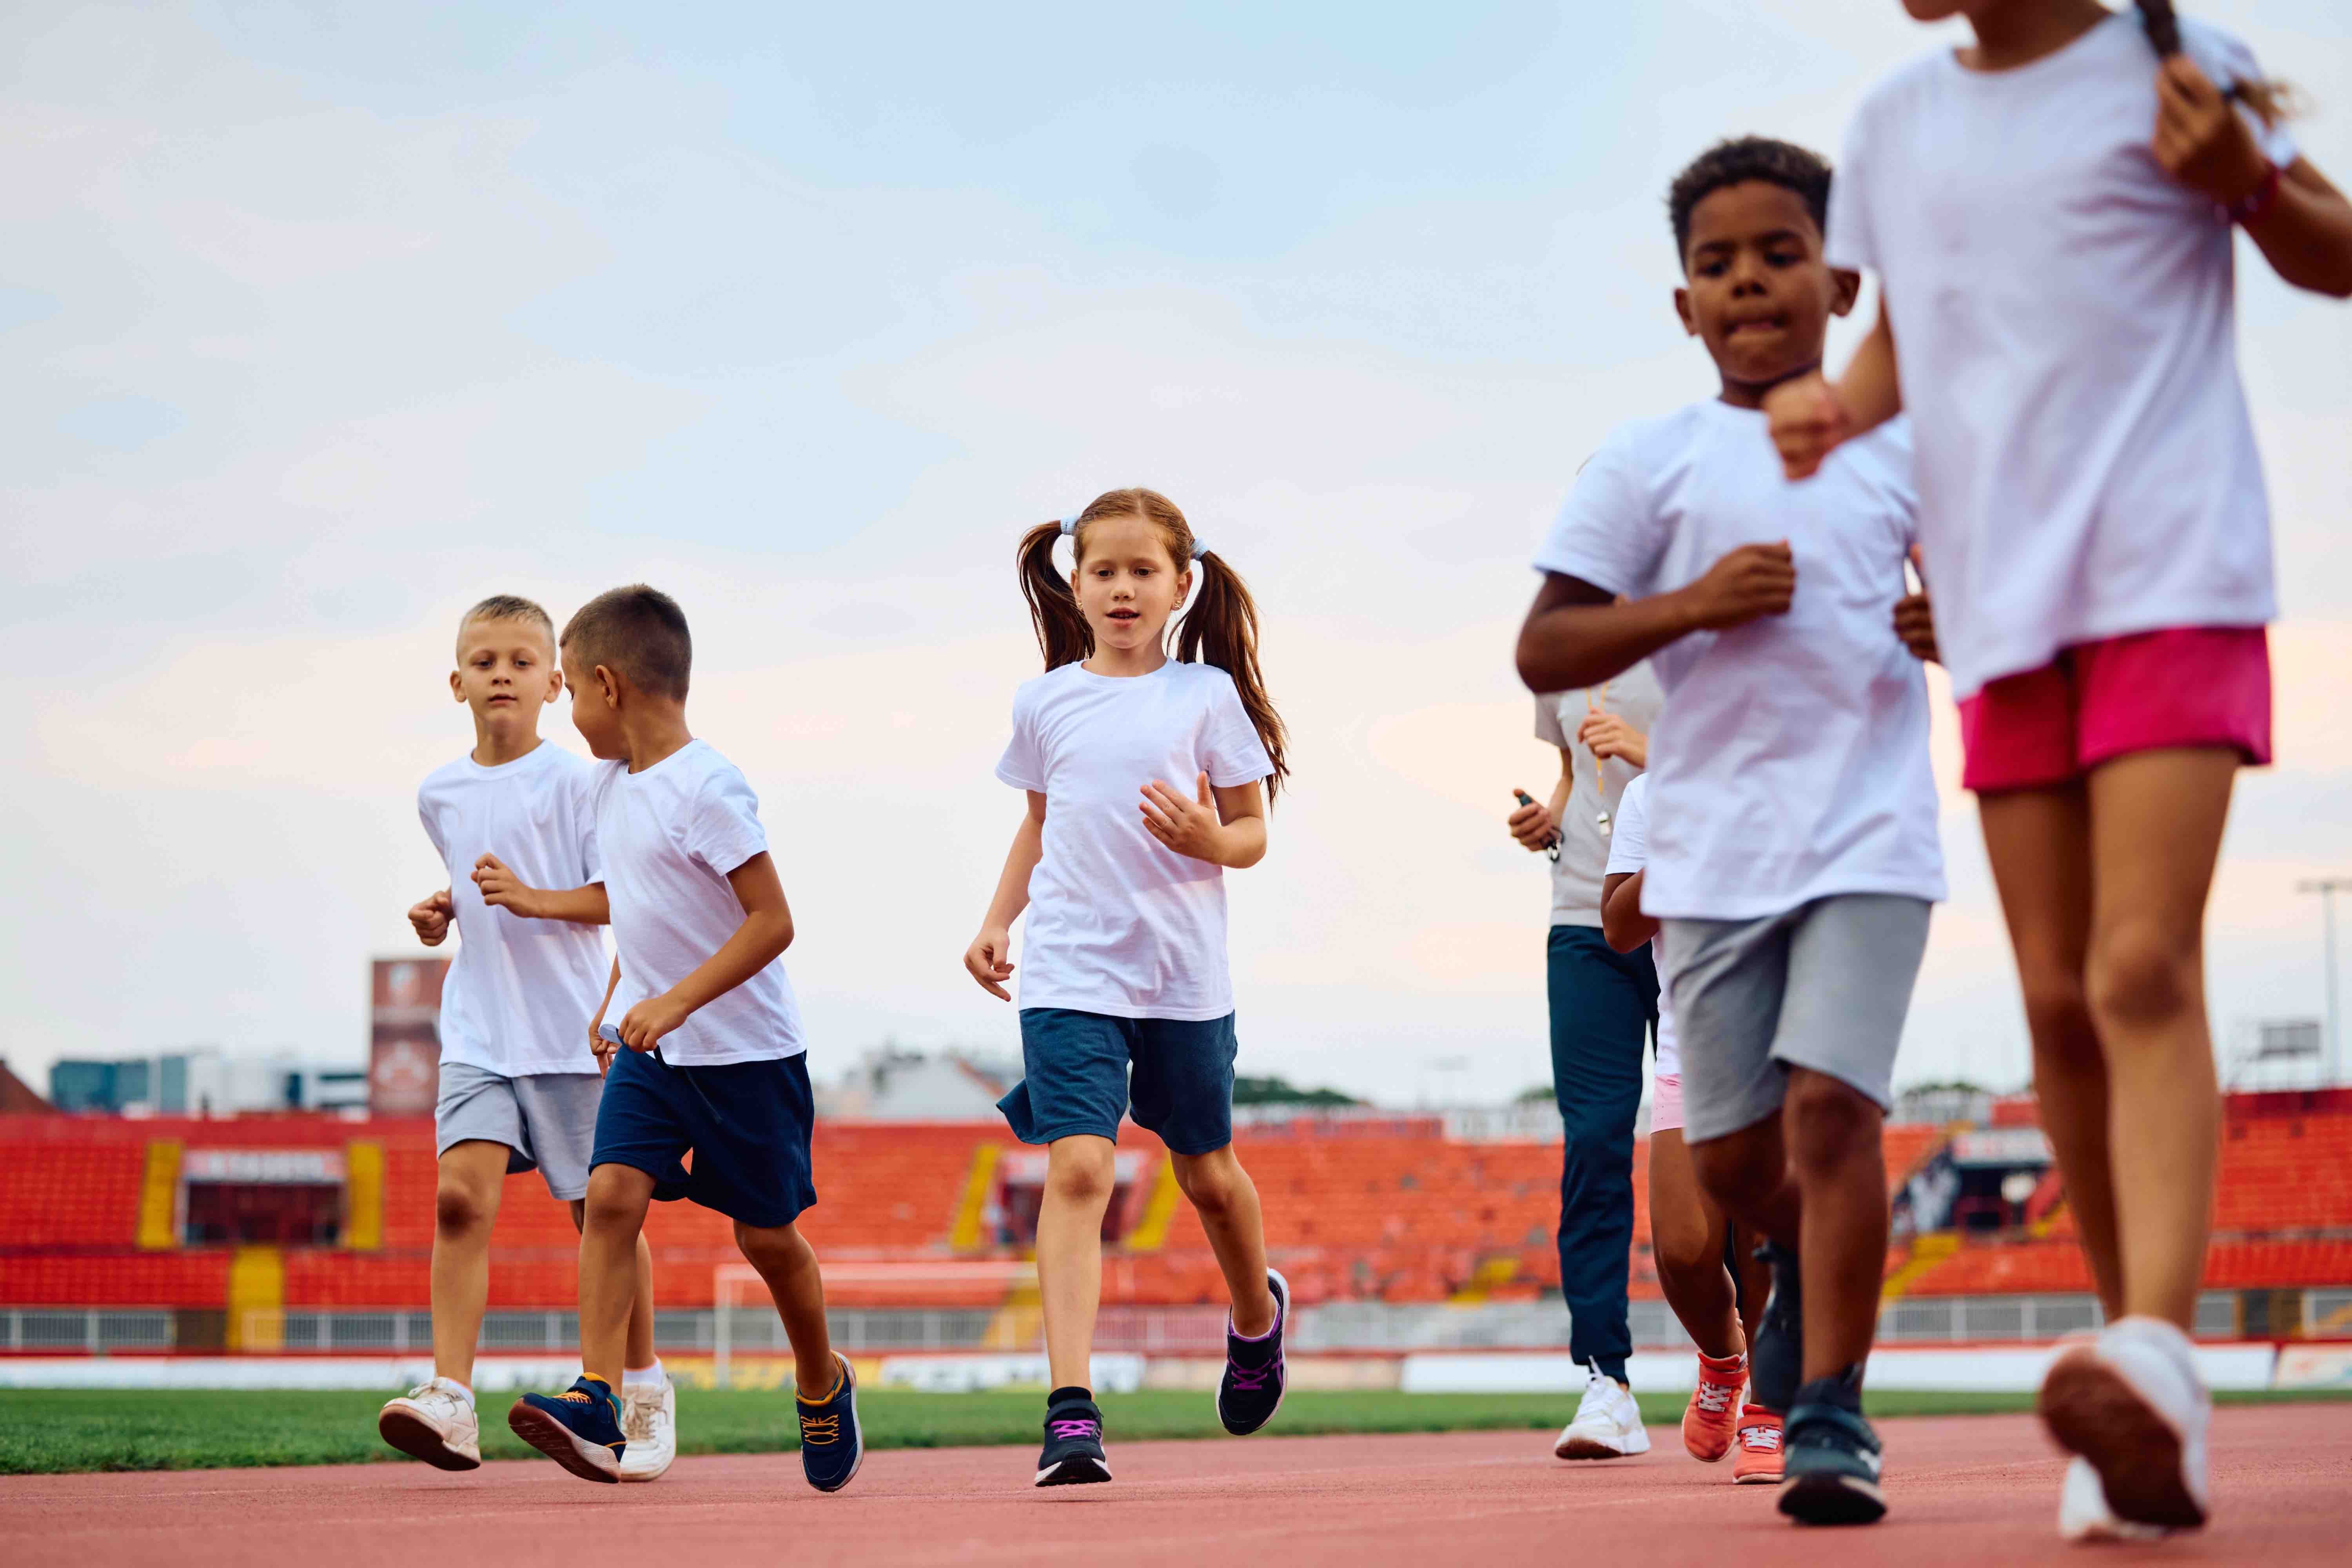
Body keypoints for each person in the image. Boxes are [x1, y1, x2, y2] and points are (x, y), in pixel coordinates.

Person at [1762, 0, 2352, 1541]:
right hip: (2000, 605)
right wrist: (1844, 403)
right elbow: (1910, 334)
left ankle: (2156, 1352)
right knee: (2058, 1005)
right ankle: (2139, 1394)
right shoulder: (1895, 123)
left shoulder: (2176, 63)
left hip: (2171, 567)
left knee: (2143, 962)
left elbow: (2336, 250)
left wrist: (2246, 176)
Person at [1516, 136, 1945, 1526]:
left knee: (1834, 1115)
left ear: (1843, 279)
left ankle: (1827, 1410)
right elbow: (1548, 641)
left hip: (1869, 839)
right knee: (1734, 1169)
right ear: (1684, 305)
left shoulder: (1903, 450)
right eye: (1716, 263)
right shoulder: (1650, 465)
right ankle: (1789, 1325)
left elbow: (2007, 608)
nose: (1750, 280)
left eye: (1779, 253)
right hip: (1707, 857)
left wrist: (1966, 628)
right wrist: (1689, 605)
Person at [964, 489, 1290, 1487]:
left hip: (1180, 976)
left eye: (1142, 570)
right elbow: (1038, 821)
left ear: (1181, 584)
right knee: (1077, 1172)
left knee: (1208, 1176)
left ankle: (1255, 1316)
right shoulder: (1045, 699)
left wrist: (1209, 839)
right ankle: (1071, 1410)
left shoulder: (1206, 697)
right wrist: (995, 919)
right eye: (1103, 570)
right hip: (1069, 968)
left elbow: (1251, 833)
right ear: (1077, 581)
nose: (1121, 588)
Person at [505, 585, 862, 1493]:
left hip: (748, 1057)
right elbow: (643, 903)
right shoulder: (608, 787)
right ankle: (599, 1391)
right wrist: (624, 991)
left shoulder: (708, 785)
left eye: (571, 694)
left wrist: (676, 1002)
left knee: (768, 1240)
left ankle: (822, 1378)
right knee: (611, 1190)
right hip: (655, 1057)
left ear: (607, 684)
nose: (570, 713)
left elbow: (771, 921)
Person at [377, 594, 673, 1482]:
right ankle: (451, 1399)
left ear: (555, 679)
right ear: (457, 680)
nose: (500, 673)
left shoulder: (584, 783)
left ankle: (645, 1385)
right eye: (483, 660)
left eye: (519, 660)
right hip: (478, 1029)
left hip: (572, 1033)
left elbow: (629, 895)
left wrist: (534, 898)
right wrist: (446, 912)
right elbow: (478, 890)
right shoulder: (439, 791)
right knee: (458, 1201)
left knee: (604, 1216)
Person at [1507, 662, 1664, 1460]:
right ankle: (1608, 1380)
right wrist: (1551, 819)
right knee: (1597, 1139)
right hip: (1584, 919)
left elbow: (1757, 765)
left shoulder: (1701, 632)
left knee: (1720, 1143)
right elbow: (1573, 772)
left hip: (1692, 910)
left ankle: (1747, 1364)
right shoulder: (1561, 654)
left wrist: (1650, 749)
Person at [1600, 772, 1777, 1482]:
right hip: (1689, 1051)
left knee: (1765, 1239)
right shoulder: (1652, 794)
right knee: (1683, 1250)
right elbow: (1618, 927)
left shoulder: (1791, 776)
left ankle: (1772, 1407)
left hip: (1780, 1042)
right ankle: (1724, 1359)